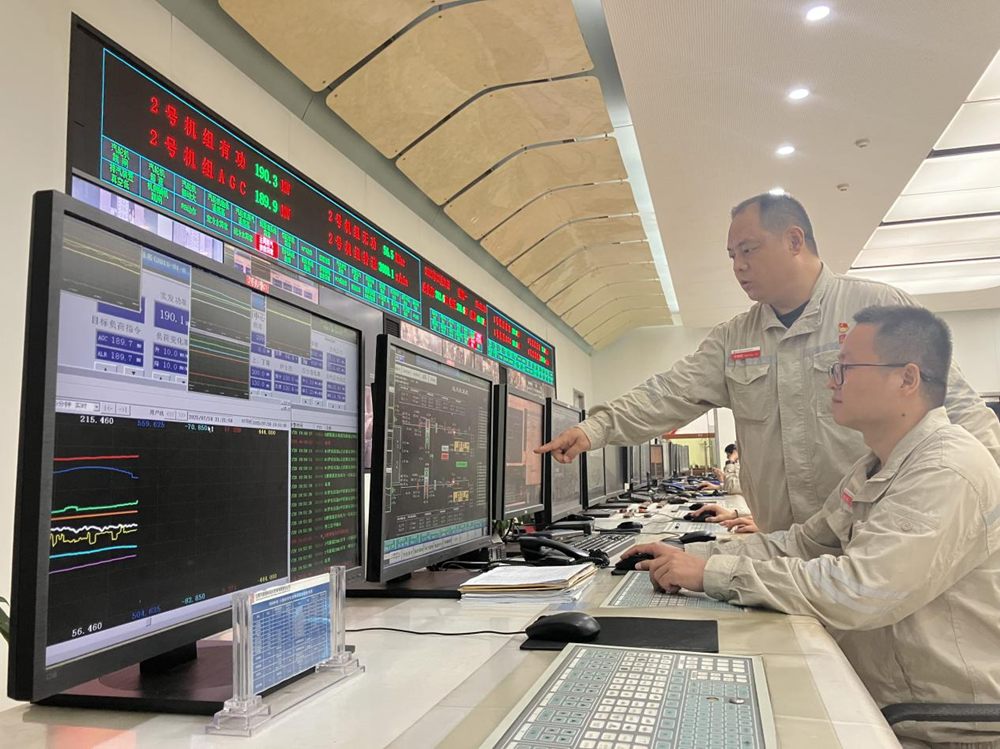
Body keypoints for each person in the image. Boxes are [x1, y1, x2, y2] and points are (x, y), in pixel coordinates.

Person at [623, 306, 1000, 749]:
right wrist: (692, 556)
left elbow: (858, 590)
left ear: (907, 379)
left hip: (941, 727)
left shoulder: (945, 469)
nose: (831, 381)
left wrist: (713, 575)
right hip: (882, 698)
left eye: (845, 369)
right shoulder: (876, 466)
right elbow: (806, 543)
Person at [537, 193, 1000, 532]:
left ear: (794, 240)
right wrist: (594, 429)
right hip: (787, 546)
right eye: (732, 256)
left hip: (880, 542)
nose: (737, 266)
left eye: (749, 250)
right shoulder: (735, 338)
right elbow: (669, 393)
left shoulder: (876, 310)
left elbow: (959, 411)